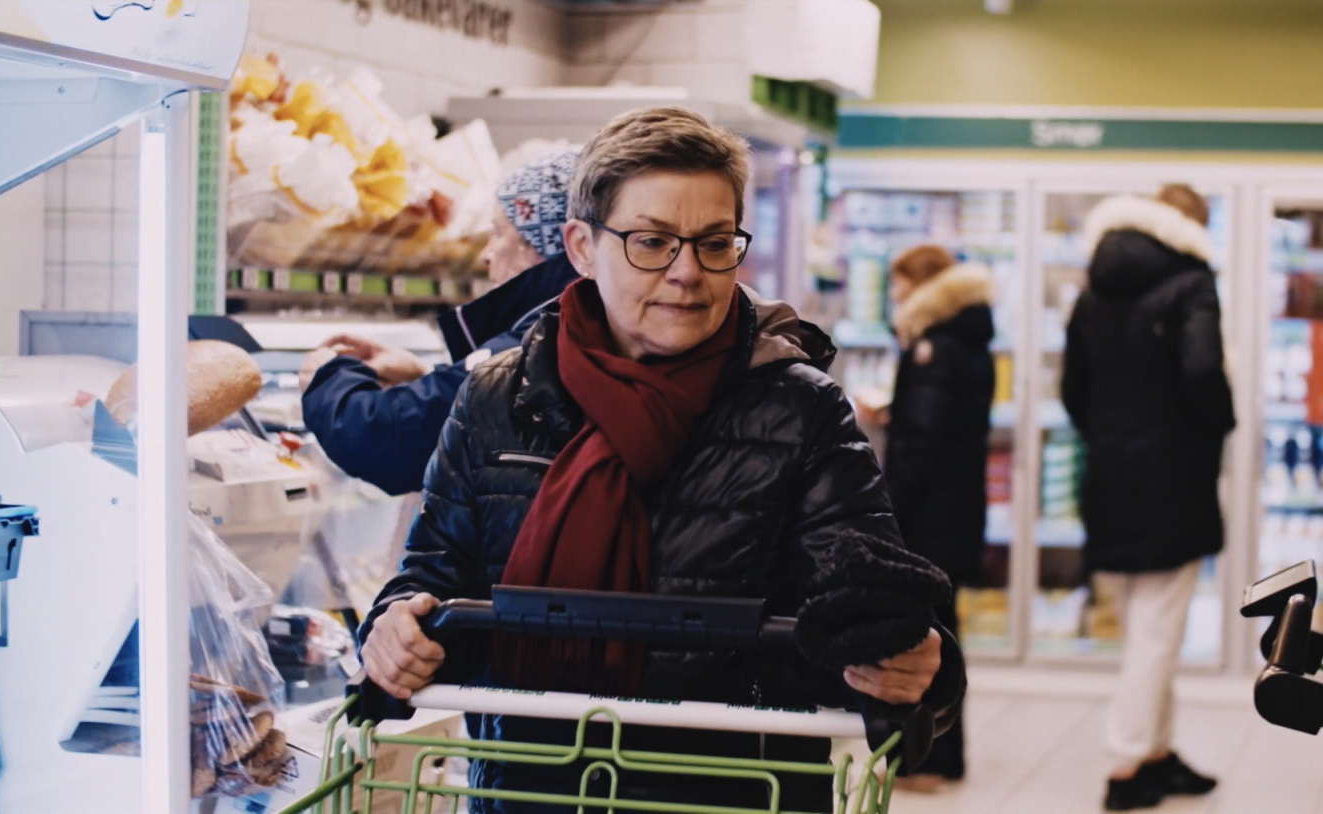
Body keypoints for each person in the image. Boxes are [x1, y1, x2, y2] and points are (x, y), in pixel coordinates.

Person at [357, 107, 966, 814]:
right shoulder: (496, 398)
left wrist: (913, 662)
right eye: (652, 242)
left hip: (736, 798)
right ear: (581, 247)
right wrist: (397, 629)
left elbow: (866, 607)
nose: (687, 273)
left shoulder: (802, 414)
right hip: (529, 788)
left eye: (714, 243)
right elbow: (432, 575)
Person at [1061, 185, 1234, 811]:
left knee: (1144, 624)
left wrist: (1112, 434)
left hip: (1110, 473)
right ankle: (1128, 764)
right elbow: (1203, 372)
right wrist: (1218, 425)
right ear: (1191, 226)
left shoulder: (1093, 288)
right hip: (1173, 479)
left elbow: (1072, 388)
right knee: (1157, 632)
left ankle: (1158, 753)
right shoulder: (1192, 284)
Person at [299, 150, 581, 496]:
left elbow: (387, 438)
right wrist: (423, 375)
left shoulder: (541, 341)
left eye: (498, 232)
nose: (485, 254)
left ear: (540, 241)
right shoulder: (572, 323)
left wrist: (328, 379)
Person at [879, 244, 994, 791]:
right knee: (946, 633)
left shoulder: (932, 346)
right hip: (958, 509)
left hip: (925, 517)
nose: (894, 293)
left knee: (920, 636)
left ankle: (925, 760)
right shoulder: (970, 341)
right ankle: (950, 756)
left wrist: (884, 510)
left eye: (900, 282)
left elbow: (921, 443)